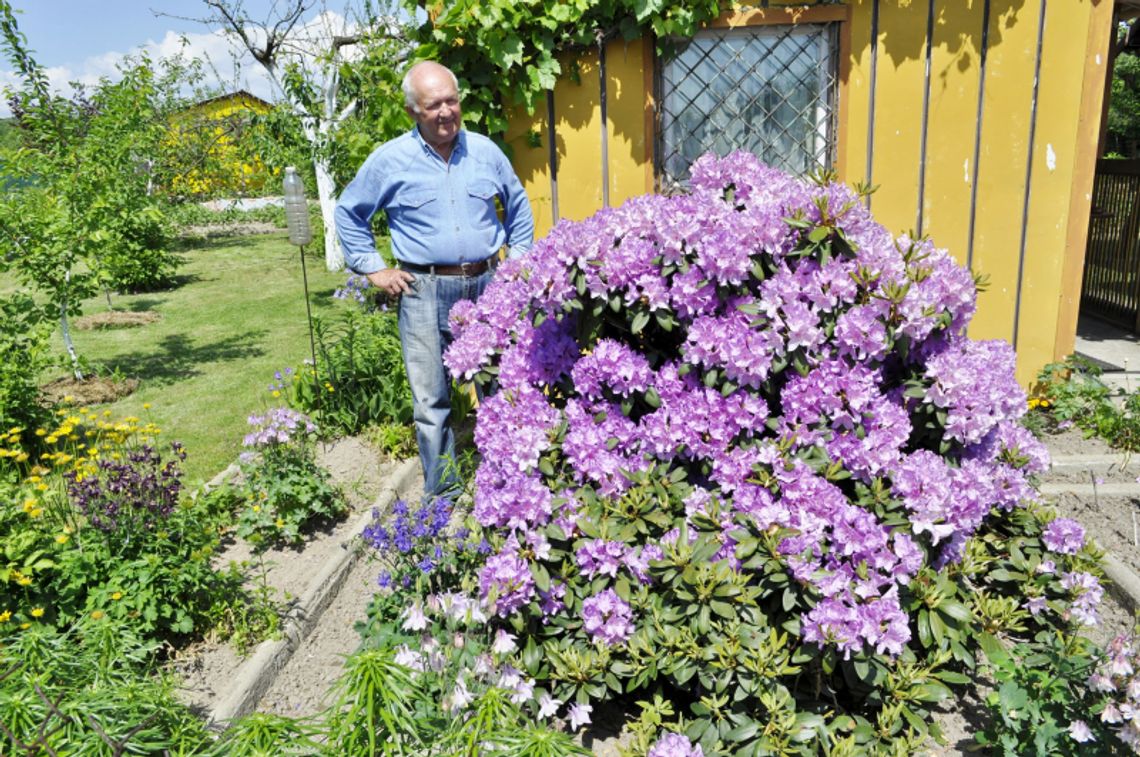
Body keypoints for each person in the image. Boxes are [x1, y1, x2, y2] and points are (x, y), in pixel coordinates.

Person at [334, 61, 535, 500]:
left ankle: (510, 484)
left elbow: (518, 208)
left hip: (489, 287)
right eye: (433, 105)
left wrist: (516, 268)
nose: (446, 112)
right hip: (423, 290)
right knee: (431, 400)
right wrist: (374, 268)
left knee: (503, 389)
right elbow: (349, 214)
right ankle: (443, 494)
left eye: (452, 100)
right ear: (412, 112)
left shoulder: (485, 152)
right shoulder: (390, 161)